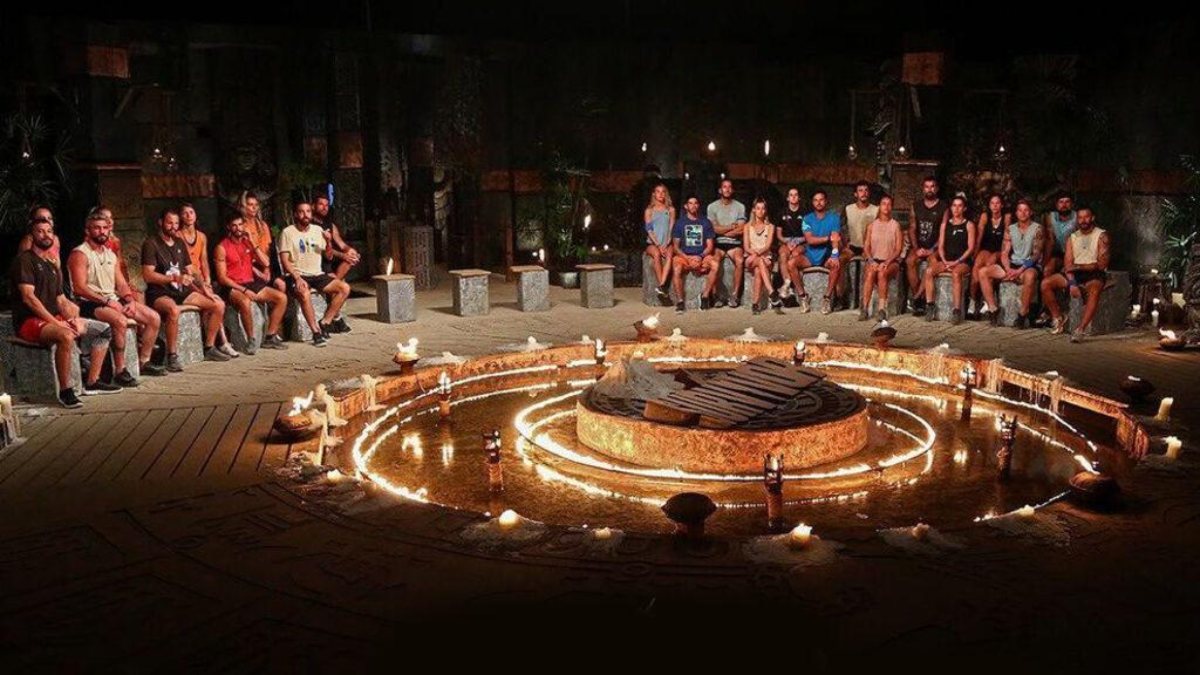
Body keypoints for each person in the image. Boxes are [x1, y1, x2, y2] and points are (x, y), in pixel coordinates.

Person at [12, 218, 119, 407]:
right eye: (40, 231)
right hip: (29, 322)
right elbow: (29, 298)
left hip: (54, 319)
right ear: (32, 235)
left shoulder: (52, 265)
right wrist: (56, 323)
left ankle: (92, 381)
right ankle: (66, 390)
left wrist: (73, 319)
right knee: (66, 336)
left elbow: (61, 300)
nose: (45, 235)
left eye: (49, 231)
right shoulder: (25, 260)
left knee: (103, 329)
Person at [68, 213, 165, 382]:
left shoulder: (110, 255)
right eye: (97, 228)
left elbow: (121, 284)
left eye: (105, 228)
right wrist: (107, 301)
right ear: (88, 231)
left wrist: (130, 300)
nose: (102, 232)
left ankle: (144, 361)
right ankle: (120, 370)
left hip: (111, 299)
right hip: (89, 302)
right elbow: (80, 288)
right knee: (120, 320)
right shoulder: (80, 253)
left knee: (153, 318)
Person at [141, 208, 230, 370]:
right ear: (160, 223)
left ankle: (209, 347)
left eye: (176, 223)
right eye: (169, 223)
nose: (173, 226)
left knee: (218, 304)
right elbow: (148, 275)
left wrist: (205, 289)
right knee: (173, 310)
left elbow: (192, 270)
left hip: (181, 290)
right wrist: (174, 278)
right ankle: (172, 355)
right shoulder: (151, 244)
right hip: (160, 292)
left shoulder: (179, 242)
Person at [213, 215, 290, 352]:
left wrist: (253, 243)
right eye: (234, 225)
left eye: (240, 225)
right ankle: (251, 339)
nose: (238, 228)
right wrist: (243, 290)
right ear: (229, 227)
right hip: (232, 285)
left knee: (282, 298)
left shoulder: (247, 243)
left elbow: (266, 263)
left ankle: (270, 336)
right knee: (245, 301)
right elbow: (222, 278)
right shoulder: (222, 247)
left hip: (250, 282)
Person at [279, 201, 352, 345]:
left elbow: (329, 256)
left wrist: (329, 242)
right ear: (296, 214)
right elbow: (285, 260)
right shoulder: (287, 232)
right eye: (301, 212)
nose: (305, 215)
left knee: (344, 288)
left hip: (317, 274)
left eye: (308, 211)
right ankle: (316, 332)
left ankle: (325, 322)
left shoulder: (318, 230)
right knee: (304, 293)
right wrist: (297, 278)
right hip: (298, 274)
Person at [1040, 206, 1110, 342]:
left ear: (1092, 218)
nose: (1083, 220)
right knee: (1046, 284)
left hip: (1094, 274)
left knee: (1094, 291)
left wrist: (1079, 266)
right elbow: (1068, 265)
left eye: (1086, 217)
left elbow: (1101, 265)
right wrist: (1072, 283)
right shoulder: (1072, 237)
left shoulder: (1101, 235)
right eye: (1080, 217)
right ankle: (1058, 317)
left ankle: (1080, 329)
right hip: (1076, 273)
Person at [179, 202, 239, 358]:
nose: (189, 216)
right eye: (185, 213)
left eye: (191, 212)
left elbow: (204, 260)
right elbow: (184, 266)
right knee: (215, 302)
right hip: (188, 280)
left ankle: (219, 342)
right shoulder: (178, 236)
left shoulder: (201, 236)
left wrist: (207, 279)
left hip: (201, 280)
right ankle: (221, 342)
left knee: (215, 300)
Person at [977, 199, 1044, 327]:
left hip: (1028, 266)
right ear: (1016, 213)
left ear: (1030, 212)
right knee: (983, 272)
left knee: (1030, 276)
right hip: (1012, 265)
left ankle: (1022, 313)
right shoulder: (1010, 229)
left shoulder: (1037, 228)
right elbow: (1004, 252)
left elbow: (1036, 255)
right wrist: (1008, 269)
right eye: (1020, 210)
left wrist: (1019, 270)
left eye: (1026, 210)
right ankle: (992, 309)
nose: (1023, 213)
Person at [922, 195, 976, 324]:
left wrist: (957, 262)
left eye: (959, 206)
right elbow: (940, 246)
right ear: (951, 208)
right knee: (929, 271)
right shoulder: (945, 225)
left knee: (956, 273)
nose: (956, 209)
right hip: (947, 260)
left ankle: (956, 310)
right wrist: (945, 261)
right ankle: (930, 305)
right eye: (954, 205)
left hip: (962, 261)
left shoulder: (969, 225)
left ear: (964, 208)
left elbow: (970, 248)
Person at [905, 176, 948, 316]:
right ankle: (918, 297)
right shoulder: (916, 206)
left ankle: (917, 298)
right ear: (923, 189)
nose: (930, 189)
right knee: (910, 261)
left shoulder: (943, 207)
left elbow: (944, 232)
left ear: (937, 188)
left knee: (932, 262)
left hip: (935, 247)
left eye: (932, 186)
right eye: (927, 186)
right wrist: (916, 248)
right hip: (919, 245)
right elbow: (912, 228)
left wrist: (932, 249)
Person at [670, 196, 720, 313]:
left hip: (702, 255)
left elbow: (710, 246)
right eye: (690, 203)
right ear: (686, 206)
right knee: (676, 268)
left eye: (695, 203)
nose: (693, 206)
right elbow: (676, 247)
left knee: (715, 265)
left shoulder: (705, 222)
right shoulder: (680, 223)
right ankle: (680, 301)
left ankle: (705, 297)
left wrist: (700, 257)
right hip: (684, 256)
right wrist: (687, 258)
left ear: (698, 205)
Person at [799, 190, 845, 314]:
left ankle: (827, 298)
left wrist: (834, 255)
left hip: (826, 255)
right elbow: (810, 240)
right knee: (791, 263)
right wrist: (827, 238)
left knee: (836, 264)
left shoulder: (834, 218)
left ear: (826, 201)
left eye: (821, 200)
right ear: (812, 202)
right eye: (816, 200)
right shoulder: (807, 219)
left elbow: (835, 238)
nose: (818, 202)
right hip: (810, 256)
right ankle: (803, 296)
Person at [859, 194, 904, 321]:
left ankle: (881, 309)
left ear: (892, 207)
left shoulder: (895, 225)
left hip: (891, 261)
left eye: (889, 204)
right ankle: (864, 308)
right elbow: (866, 247)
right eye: (884, 204)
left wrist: (887, 262)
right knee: (870, 273)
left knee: (882, 273)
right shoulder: (872, 226)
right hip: (875, 259)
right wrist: (871, 260)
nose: (886, 207)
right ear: (879, 206)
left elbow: (898, 249)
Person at [968, 194, 1009, 319]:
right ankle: (973, 301)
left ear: (1002, 205)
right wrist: (975, 253)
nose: (995, 206)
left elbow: (1006, 239)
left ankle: (987, 301)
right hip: (986, 248)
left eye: (997, 203)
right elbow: (979, 237)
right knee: (977, 266)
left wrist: (1001, 254)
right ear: (989, 205)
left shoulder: (1006, 217)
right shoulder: (985, 216)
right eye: (992, 203)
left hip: (999, 250)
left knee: (989, 264)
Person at [707, 179, 747, 308]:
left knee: (740, 261)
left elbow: (741, 228)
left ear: (732, 190)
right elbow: (713, 229)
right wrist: (731, 226)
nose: (727, 189)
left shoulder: (740, 207)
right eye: (724, 187)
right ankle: (716, 296)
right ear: (720, 190)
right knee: (714, 262)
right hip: (718, 243)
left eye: (729, 187)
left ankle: (735, 295)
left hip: (734, 243)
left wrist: (723, 230)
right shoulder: (712, 207)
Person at [743, 198, 781, 314]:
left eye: (763, 208)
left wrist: (760, 255)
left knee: (758, 270)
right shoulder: (747, 226)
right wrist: (755, 254)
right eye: (758, 208)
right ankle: (771, 291)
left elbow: (768, 246)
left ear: (766, 210)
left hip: (765, 257)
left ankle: (755, 304)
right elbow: (746, 247)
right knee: (760, 261)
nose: (761, 211)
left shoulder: (770, 227)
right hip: (750, 257)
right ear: (754, 210)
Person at [777, 187, 811, 312]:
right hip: (786, 241)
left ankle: (797, 290)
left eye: (796, 195)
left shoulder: (805, 213)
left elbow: (808, 234)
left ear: (799, 197)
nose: (793, 197)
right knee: (782, 254)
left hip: (801, 242)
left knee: (795, 255)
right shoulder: (782, 213)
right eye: (791, 195)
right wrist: (787, 242)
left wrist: (797, 241)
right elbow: (778, 234)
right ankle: (787, 284)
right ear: (787, 198)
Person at [313, 195, 361, 281]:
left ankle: (335, 282)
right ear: (314, 206)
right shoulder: (310, 225)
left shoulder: (330, 224)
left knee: (351, 259)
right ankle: (334, 283)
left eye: (326, 205)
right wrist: (343, 256)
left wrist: (350, 250)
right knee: (344, 258)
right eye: (321, 204)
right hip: (319, 257)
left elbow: (341, 244)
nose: (324, 208)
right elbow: (318, 247)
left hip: (332, 256)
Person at [643, 183, 676, 303]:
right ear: (654, 194)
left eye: (663, 192)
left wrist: (667, 243)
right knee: (656, 254)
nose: (661, 194)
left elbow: (671, 228)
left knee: (670, 255)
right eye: (658, 191)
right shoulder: (649, 211)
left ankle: (662, 286)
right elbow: (649, 230)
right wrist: (658, 244)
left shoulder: (671, 210)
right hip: (653, 243)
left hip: (667, 242)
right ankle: (663, 286)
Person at [1042, 191, 1077, 278]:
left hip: (1074, 255)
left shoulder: (1077, 217)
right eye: (1061, 202)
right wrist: (1044, 263)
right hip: (1058, 254)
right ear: (1056, 205)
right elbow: (1050, 241)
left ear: (1072, 204)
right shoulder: (1050, 217)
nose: (1064, 205)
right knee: (1047, 270)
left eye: (1067, 202)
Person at [843, 180, 879, 259]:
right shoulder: (848, 209)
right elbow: (842, 228)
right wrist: (845, 244)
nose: (864, 193)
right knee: (840, 260)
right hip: (852, 246)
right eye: (860, 190)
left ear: (869, 193)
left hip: (869, 247)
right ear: (855, 194)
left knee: (870, 262)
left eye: (866, 190)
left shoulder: (876, 210)